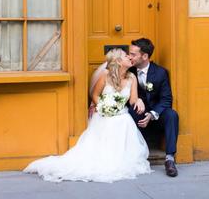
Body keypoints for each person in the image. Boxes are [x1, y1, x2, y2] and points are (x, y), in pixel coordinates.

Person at [24, 48, 151, 183]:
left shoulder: (132, 78)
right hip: (103, 116)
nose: (130, 58)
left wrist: (139, 100)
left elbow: (132, 100)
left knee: (124, 121)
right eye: (126, 56)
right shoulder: (105, 76)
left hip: (122, 116)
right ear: (119, 61)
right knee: (106, 128)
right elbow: (95, 95)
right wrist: (103, 107)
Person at [128, 38, 179, 177]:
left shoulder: (160, 72)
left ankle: (169, 159)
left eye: (133, 54)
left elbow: (166, 99)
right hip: (137, 113)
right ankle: (135, 155)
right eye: (129, 53)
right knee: (129, 113)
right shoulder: (128, 70)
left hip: (156, 114)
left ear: (144, 56)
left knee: (172, 115)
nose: (129, 56)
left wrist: (152, 114)